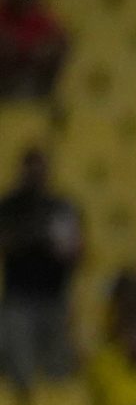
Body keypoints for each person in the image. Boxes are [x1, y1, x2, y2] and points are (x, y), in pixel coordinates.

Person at [0, 144, 81, 392]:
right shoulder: (9, 207)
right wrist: (29, 233)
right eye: (31, 170)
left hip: (54, 297)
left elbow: (74, 250)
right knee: (20, 370)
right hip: (19, 299)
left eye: (41, 170)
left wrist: (49, 239)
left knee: (57, 372)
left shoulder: (61, 208)